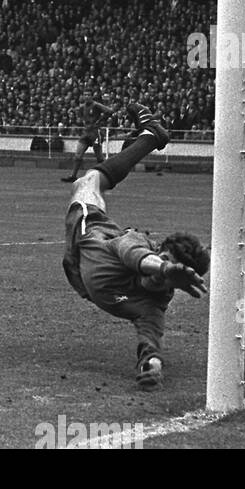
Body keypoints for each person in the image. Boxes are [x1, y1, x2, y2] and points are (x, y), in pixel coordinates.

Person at [61, 102, 209, 390]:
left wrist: (151, 366)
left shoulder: (152, 305)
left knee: (90, 179)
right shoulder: (137, 243)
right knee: (86, 182)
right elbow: (137, 256)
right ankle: (149, 136)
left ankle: (146, 137)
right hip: (91, 228)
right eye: (164, 259)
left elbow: (151, 338)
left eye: (168, 277)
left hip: (83, 264)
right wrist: (166, 268)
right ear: (159, 252)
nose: (160, 275)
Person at [61, 97, 117, 182]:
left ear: (91, 97)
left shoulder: (96, 105)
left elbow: (109, 111)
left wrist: (101, 120)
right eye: (85, 94)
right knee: (78, 155)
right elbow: (80, 117)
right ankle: (73, 176)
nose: (86, 97)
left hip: (96, 132)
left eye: (88, 95)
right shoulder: (82, 107)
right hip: (86, 132)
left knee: (99, 156)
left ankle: (108, 175)